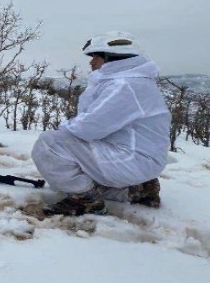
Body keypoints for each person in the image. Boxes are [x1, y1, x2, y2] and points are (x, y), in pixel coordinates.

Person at [31, 31, 171, 216]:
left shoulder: (124, 86)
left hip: (132, 159)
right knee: (78, 166)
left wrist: (63, 129)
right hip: (138, 158)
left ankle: (85, 200)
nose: (91, 62)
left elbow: (88, 127)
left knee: (50, 144)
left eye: (96, 57)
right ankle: (137, 189)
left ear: (113, 58)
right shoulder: (132, 82)